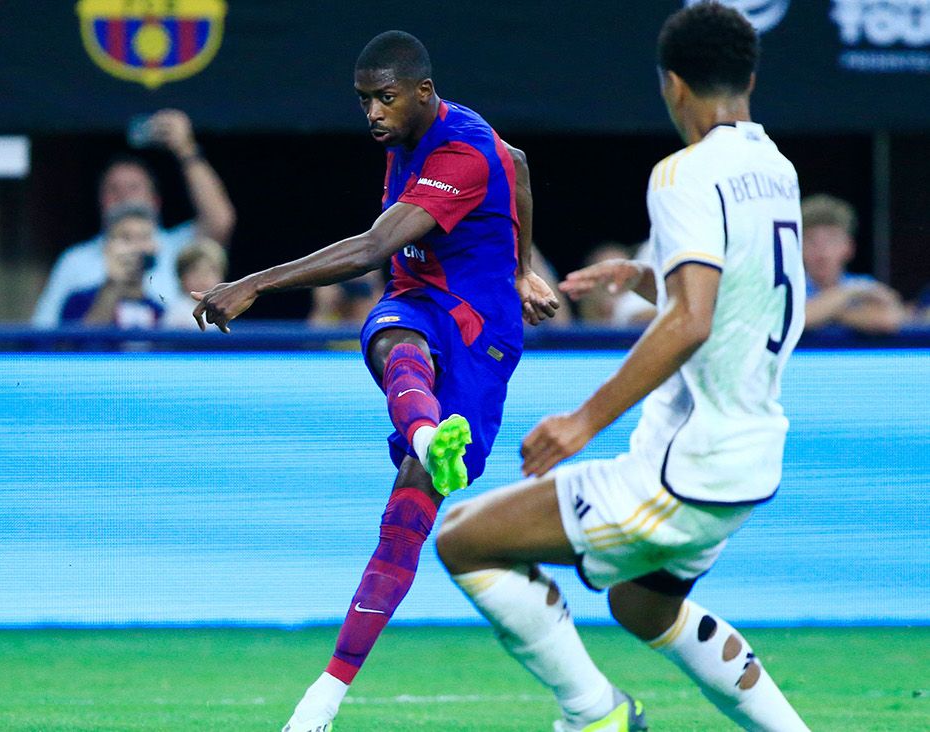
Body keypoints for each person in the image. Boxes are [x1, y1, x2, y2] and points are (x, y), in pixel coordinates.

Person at [435, 4, 809, 730]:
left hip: (686, 470)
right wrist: (645, 277)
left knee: (463, 538)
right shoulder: (776, 169)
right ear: (751, 77)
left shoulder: (682, 173)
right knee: (643, 605)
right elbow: (740, 292)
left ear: (672, 85)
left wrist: (583, 421)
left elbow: (692, 320)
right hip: (754, 457)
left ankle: (594, 714)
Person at [190, 30, 559, 732]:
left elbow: (373, 246)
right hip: (418, 302)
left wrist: (252, 285)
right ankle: (319, 704)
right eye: (364, 101)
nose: (373, 114)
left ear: (424, 92)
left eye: (385, 98)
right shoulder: (409, 139)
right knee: (391, 339)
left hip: (482, 330)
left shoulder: (460, 150)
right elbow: (523, 162)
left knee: (405, 525)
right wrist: (523, 262)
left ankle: (427, 443)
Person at [32, 109, 236, 328]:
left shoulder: (177, 249)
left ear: (156, 201)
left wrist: (185, 148)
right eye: (113, 189)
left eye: (134, 187)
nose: (124, 196)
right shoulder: (75, 260)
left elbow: (220, 221)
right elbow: (46, 336)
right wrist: (111, 286)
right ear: (100, 200)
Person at [800, 193, 902, 335]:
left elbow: (888, 320)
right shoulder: (790, 288)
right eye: (811, 240)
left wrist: (827, 312)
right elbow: (801, 318)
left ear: (849, 247)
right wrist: (848, 293)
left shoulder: (863, 283)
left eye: (831, 240)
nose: (821, 250)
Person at [60, 204, 165, 328]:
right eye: (126, 238)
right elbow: (80, 344)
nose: (136, 247)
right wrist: (112, 285)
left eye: (144, 237)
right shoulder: (78, 301)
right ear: (106, 247)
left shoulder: (160, 312)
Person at [574, 242, 657, 326]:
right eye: (606, 281)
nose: (615, 289)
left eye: (625, 280)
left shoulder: (639, 310)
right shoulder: (572, 332)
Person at [163, 237, 227, 330]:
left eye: (211, 271)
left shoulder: (222, 310)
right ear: (182, 277)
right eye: (195, 272)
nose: (203, 279)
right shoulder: (177, 313)